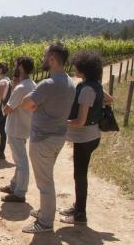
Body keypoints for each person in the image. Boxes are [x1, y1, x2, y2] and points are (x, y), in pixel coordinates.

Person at [20, 42, 76, 233]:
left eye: (45, 56)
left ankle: (45, 222)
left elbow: (26, 103)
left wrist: (36, 104)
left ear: (52, 59)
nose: (43, 59)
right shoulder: (69, 82)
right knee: (47, 177)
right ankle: (45, 210)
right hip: (58, 137)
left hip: (43, 139)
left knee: (44, 182)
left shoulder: (48, 84)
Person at [61, 51, 113, 225]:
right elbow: (110, 99)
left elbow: (80, 121)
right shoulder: (94, 85)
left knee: (80, 175)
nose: (75, 67)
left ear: (84, 68)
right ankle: (78, 207)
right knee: (80, 174)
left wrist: (61, 122)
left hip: (85, 138)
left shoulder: (87, 90)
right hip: (92, 136)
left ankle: (80, 214)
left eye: (77, 66)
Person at [0, 57, 36, 203]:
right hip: (24, 126)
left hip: (16, 128)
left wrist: (11, 92)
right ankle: (14, 185)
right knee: (19, 159)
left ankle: (20, 193)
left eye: (16, 65)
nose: (14, 67)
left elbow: (6, 109)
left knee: (21, 162)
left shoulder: (21, 88)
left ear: (21, 67)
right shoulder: (32, 84)